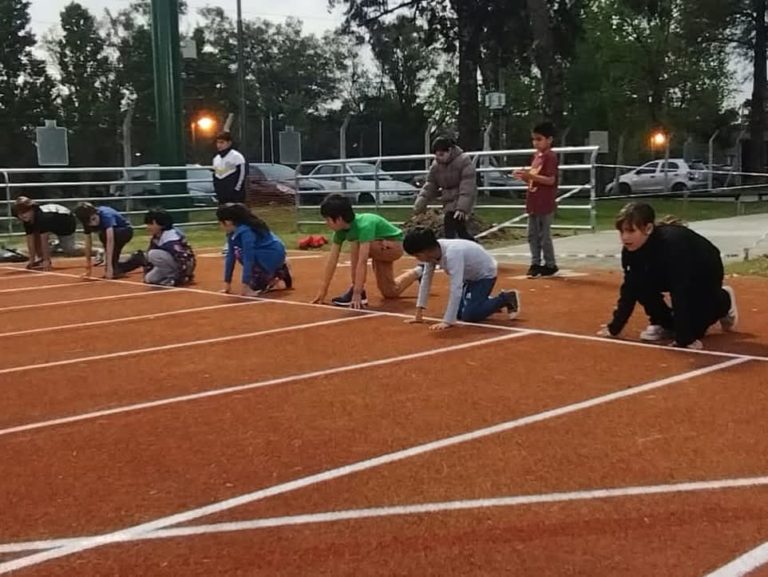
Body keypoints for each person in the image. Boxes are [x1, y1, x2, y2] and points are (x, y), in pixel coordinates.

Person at [597, 202, 738, 350]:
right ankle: (662, 321)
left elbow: (680, 290)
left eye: (631, 231)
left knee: (694, 329)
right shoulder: (630, 250)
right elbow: (630, 288)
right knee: (640, 283)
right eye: (621, 232)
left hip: (703, 272)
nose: (625, 237)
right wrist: (614, 328)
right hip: (670, 274)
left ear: (648, 229)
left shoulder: (672, 246)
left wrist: (684, 338)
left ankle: (724, 300)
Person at [312, 193, 421, 309]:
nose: (326, 223)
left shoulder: (364, 225)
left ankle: (357, 289)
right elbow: (332, 260)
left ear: (339, 219)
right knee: (390, 292)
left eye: (327, 219)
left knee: (357, 243)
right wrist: (323, 290)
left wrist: (357, 292)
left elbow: (362, 261)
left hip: (393, 247)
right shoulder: (340, 231)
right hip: (378, 248)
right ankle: (419, 271)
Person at [402, 227, 520, 330]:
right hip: (469, 278)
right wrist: (418, 313)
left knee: (470, 315)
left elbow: (456, 287)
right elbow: (425, 281)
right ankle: (483, 301)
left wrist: (447, 321)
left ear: (426, 251)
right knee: (458, 313)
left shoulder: (453, 253)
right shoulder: (431, 256)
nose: (417, 259)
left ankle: (506, 298)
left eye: (417, 255)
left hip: (484, 274)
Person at [514, 121, 559, 278]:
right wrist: (525, 177)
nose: (536, 143)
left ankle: (550, 263)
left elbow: (550, 180)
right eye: (534, 139)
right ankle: (535, 262)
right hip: (533, 200)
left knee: (544, 235)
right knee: (532, 234)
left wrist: (531, 176)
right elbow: (534, 180)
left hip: (544, 202)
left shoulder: (550, 157)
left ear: (549, 140)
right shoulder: (536, 157)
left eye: (539, 139)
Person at [218, 203, 292, 297]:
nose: (219, 225)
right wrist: (227, 284)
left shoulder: (246, 231)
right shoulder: (232, 233)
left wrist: (245, 286)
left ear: (228, 222)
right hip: (262, 253)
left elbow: (249, 257)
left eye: (220, 222)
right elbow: (230, 256)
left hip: (272, 253)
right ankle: (276, 272)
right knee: (257, 284)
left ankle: (278, 269)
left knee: (241, 253)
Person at [413, 135, 478, 241]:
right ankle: (469, 249)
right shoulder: (436, 166)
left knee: (455, 230)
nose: (439, 158)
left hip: (460, 199)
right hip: (448, 202)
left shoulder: (463, 161)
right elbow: (430, 185)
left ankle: (469, 250)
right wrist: (420, 204)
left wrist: (462, 208)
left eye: (442, 154)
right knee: (458, 231)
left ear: (450, 150)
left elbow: (468, 185)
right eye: (436, 155)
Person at [125, 209, 196, 286]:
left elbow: (183, 258)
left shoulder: (171, 238)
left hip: (182, 265)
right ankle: (169, 278)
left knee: (154, 254)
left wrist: (184, 275)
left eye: (150, 224)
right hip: (171, 263)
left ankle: (173, 277)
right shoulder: (157, 237)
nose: (148, 227)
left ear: (157, 224)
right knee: (149, 278)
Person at [12, 196, 79, 270]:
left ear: (33, 209)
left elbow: (44, 240)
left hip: (65, 222)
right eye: (19, 213)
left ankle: (91, 250)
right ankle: (41, 257)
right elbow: (30, 240)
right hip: (52, 220)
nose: (22, 215)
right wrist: (32, 260)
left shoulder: (43, 218)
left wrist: (47, 261)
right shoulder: (28, 220)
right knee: (36, 234)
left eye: (25, 211)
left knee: (69, 249)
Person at [73, 203, 133, 279]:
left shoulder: (106, 215)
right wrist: (88, 267)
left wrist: (109, 268)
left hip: (124, 231)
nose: (93, 223)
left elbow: (110, 241)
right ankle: (135, 260)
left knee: (104, 236)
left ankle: (114, 267)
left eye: (94, 219)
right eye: (89, 222)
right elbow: (88, 243)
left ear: (96, 213)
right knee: (113, 266)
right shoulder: (87, 221)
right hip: (110, 234)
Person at [212, 131, 247, 205]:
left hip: (235, 196)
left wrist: (236, 191)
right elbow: (215, 175)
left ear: (229, 143)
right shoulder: (216, 158)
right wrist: (217, 190)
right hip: (222, 196)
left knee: (236, 215)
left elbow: (242, 175)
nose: (219, 145)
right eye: (217, 142)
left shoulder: (237, 156)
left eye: (222, 142)